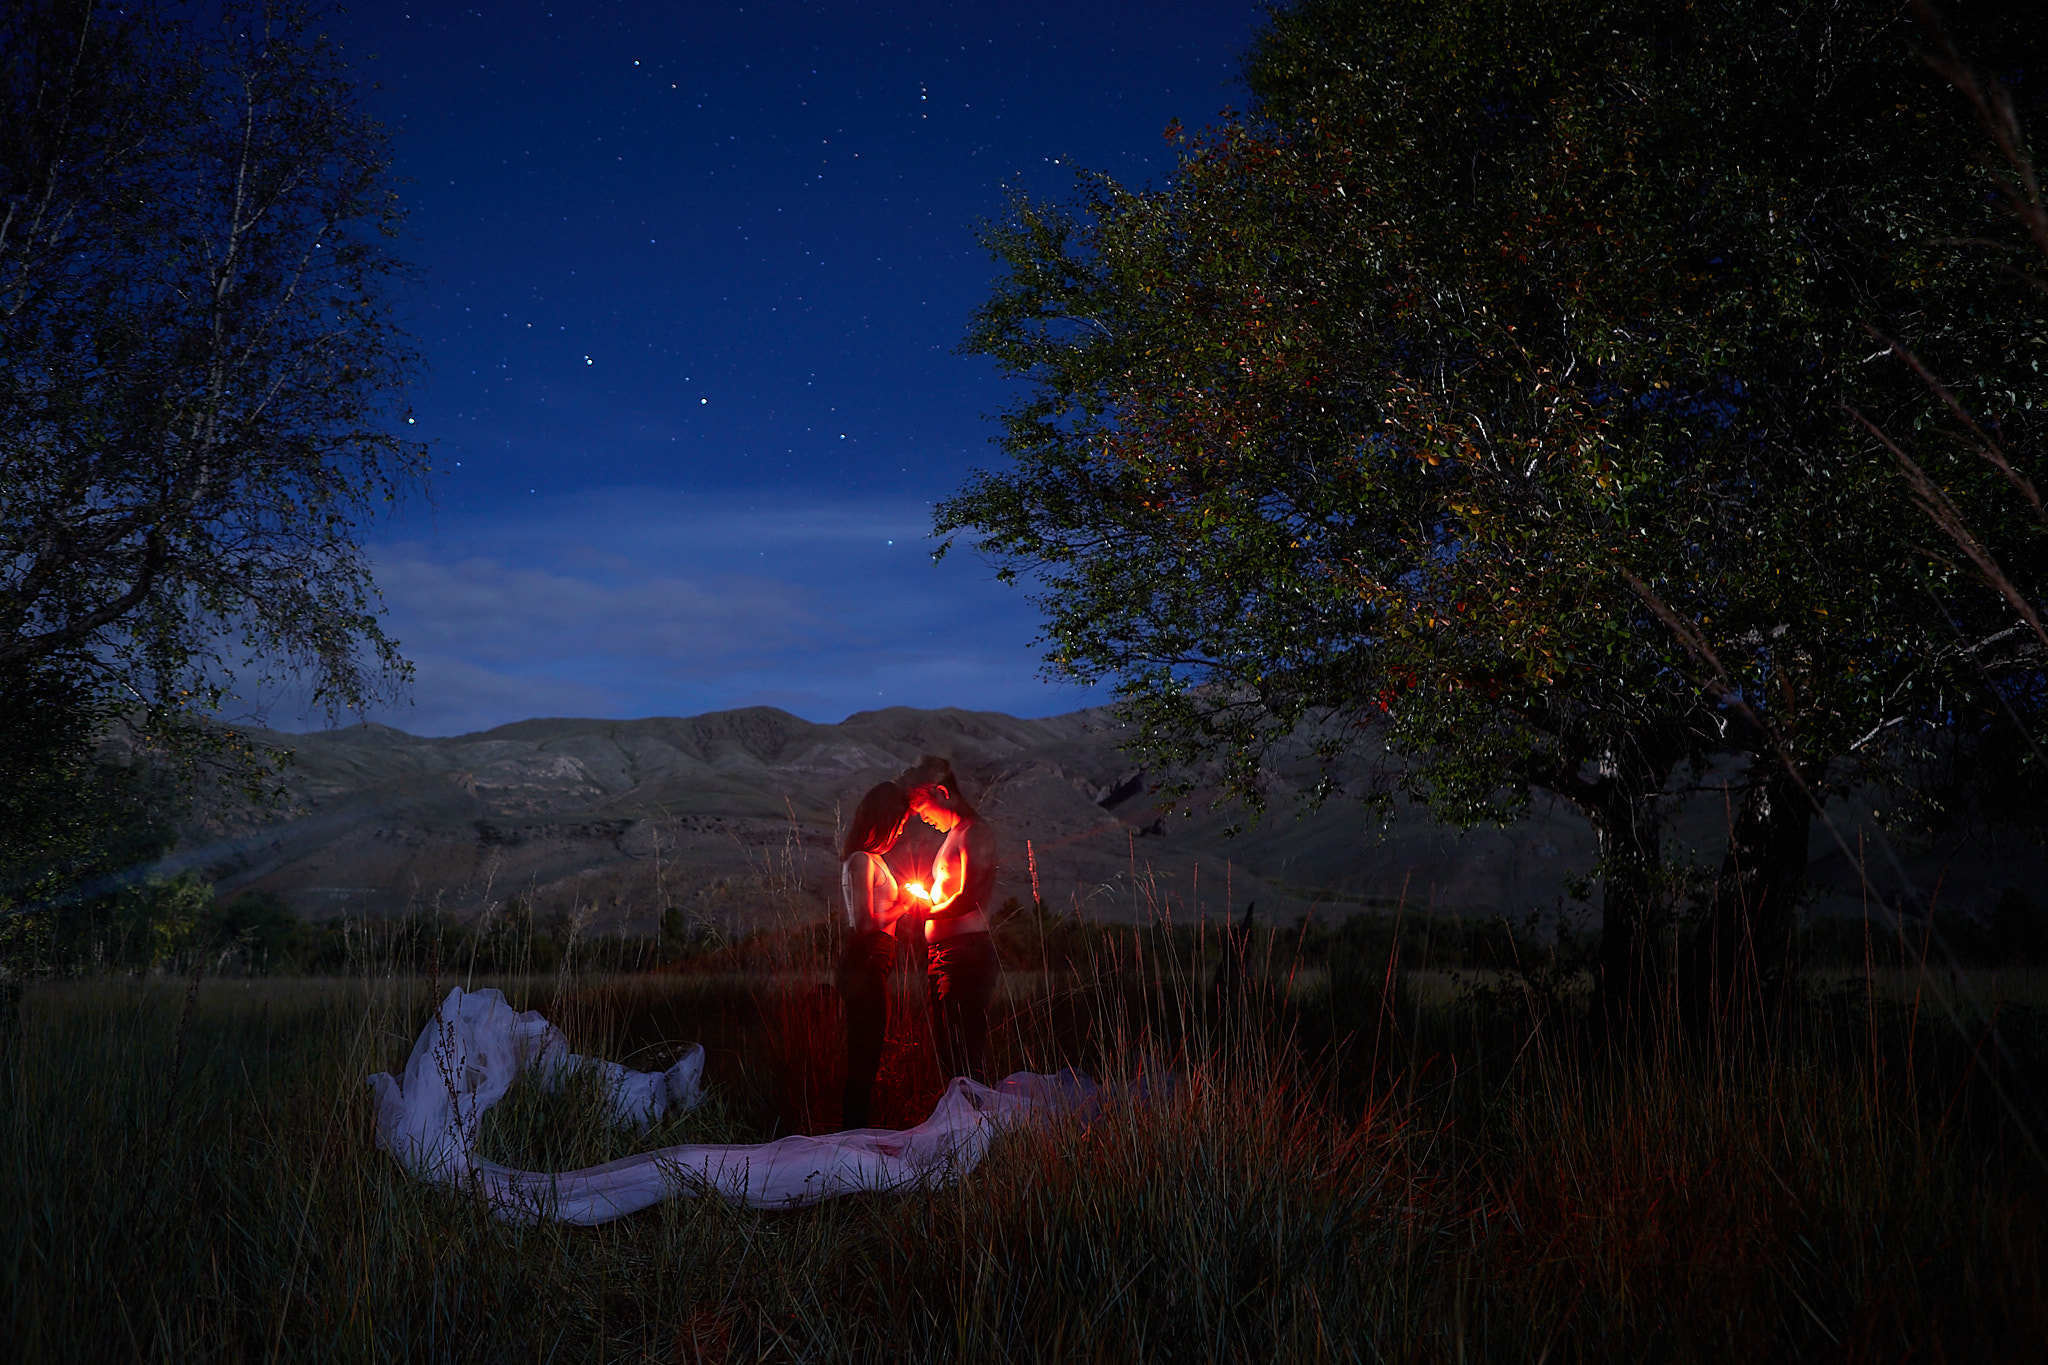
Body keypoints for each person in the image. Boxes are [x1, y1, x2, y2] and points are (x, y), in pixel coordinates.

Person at [897, 755, 1002, 1083]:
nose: (925, 820)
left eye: (925, 811)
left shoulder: (975, 833)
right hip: (945, 956)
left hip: (964, 956)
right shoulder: (954, 836)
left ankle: (977, 1125)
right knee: (948, 1046)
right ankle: (964, 1123)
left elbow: (968, 897)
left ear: (942, 792)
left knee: (962, 1048)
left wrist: (923, 911)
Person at [836, 780, 914, 1129]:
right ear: (881, 821)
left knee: (870, 1049)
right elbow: (866, 923)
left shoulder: (873, 860)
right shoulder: (862, 861)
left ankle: (857, 1133)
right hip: (865, 960)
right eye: (897, 826)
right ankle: (853, 1138)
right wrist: (905, 904)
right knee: (864, 1054)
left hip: (876, 961)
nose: (899, 833)